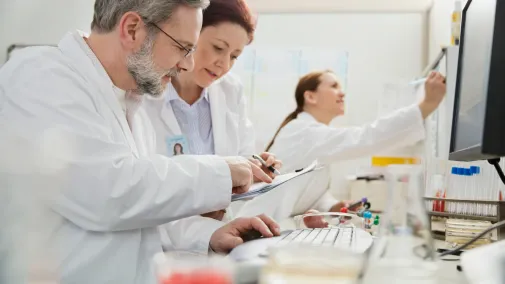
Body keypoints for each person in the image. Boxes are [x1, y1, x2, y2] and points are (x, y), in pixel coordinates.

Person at [0, 1, 280, 283]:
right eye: (183, 48)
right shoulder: (41, 76)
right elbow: (108, 192)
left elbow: (144, 211)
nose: (188, 64)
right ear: (132, 29)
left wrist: (210, 235)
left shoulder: (130, 99)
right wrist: (221, 170)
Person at [143, 0, 344, 231]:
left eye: (235, 56)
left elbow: (240, 157)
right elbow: (146, 184)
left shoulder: (230, 90)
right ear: (192, 32)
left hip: (218, 232)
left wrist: (255, 168)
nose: (224, 64)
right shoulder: (147, 94)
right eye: (218, 48)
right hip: (163, 237)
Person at [265, 70, 447, 215]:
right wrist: (427, 105)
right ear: (311, 97)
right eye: (334, 86)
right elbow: (366, 137)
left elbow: (308, 188)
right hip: (254, 228)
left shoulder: (312, 136)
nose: (342, 93)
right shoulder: (303, 131)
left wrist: (334, 206)